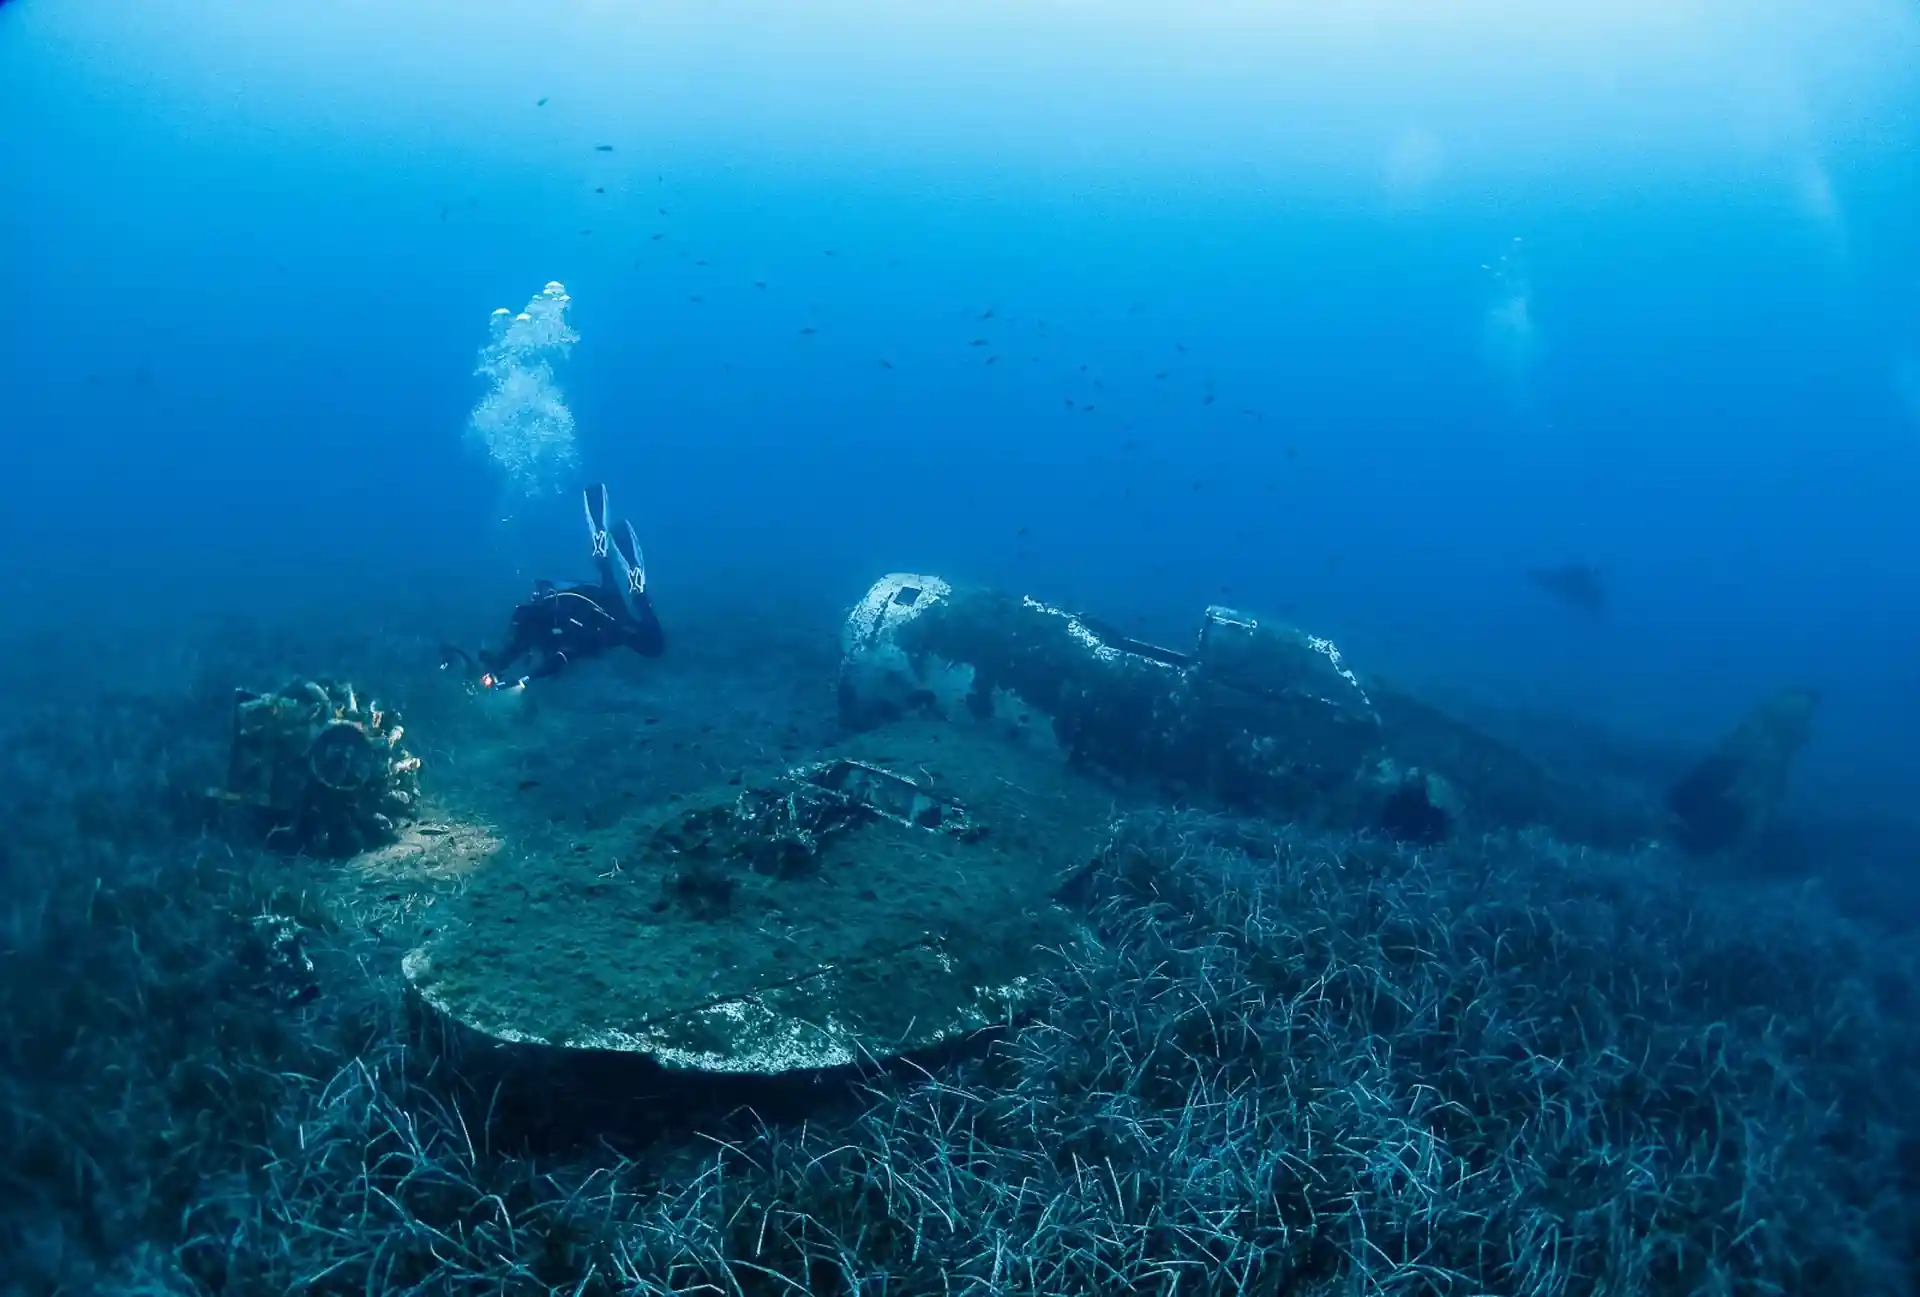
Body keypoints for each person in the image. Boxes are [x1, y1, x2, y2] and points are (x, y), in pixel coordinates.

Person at [442, 484, 664, 692]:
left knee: (652, 645)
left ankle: (635, 589)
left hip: (598, 616)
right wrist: (493, 672)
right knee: (617, 603)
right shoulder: (533, 627)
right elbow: (514, 652)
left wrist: (524, 680)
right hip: (591, 615)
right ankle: (606, 560)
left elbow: (560, 656)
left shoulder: (546, 625)